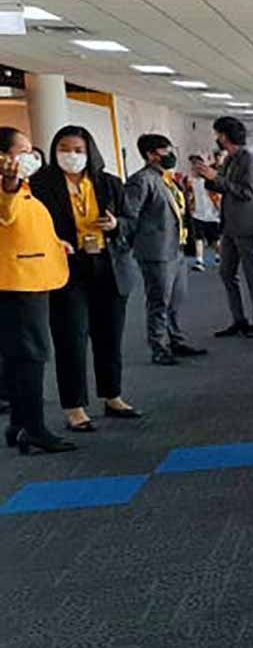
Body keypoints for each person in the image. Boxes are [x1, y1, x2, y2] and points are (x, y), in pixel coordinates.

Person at [30, 126, 141, 430]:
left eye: (78, 150)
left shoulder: (109, 184)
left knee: (109, 337)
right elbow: (34, 227)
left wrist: (117, 224)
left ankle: (112, 395)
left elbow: (133, 223)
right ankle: (74, 406)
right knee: (71, 339)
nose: (71, 155)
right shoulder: (40, 186)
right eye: (64, 148)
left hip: (108, 266)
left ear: (89, 151)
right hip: (68, 269)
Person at [0, 127, 75, 454]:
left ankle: (19, 423)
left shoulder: (27, 189)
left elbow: (21, 229)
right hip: (18, 283)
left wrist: (56, 244)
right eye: (24, 150)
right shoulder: (10, 187)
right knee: (31, 355)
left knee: (22, 357)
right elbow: (7, 212)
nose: (32, 156)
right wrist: (10, 183)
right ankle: (34, 428)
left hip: (30, 277)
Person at [126, 134, 206, 367]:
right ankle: (158, 347)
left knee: (175, 300)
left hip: (176, 249)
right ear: (150, 155)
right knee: (159, 301)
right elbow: (131, 215)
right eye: (165, 151)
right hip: (156, 251)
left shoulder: (167, 179)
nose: (170, 154)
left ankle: (175, 340)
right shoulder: (141, 181)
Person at [195, 115, 253, 338]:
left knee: (252, 276)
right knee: (226, 273)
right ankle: (239, 319)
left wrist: (216, 178)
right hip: (230, 226)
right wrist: (210, 177)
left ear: (225, 136)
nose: (216, 138)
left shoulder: (248, 160)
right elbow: (225, 187)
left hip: (247, 226)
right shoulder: (229, 159)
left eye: (218, 134)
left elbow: (246, 192)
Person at [186, 153, 221, 272]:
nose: (194, 167)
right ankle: (199, 261)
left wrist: (219, 209)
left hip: (212, 215)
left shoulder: (209, 180)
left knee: (215, 240)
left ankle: (219, 256)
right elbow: (189, 195)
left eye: (197, 164)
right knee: (198, 238)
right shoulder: (190, 181)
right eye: (193, 165)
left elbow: (217, 195)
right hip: (197, 214)